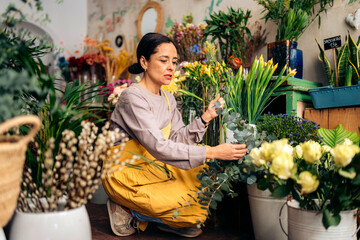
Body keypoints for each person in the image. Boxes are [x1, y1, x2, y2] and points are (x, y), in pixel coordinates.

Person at [102, 32, 248, 238]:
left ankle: (166, 219)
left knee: (205, 180)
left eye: (174, 61)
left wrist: (205, 117)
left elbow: (176, 140)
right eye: (164, 60)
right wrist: (213, 151)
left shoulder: (168, 98)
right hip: (127, 174)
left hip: (155, 167)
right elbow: (159, 146)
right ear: (144, 61)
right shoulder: (132, 97)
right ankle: (129, 210)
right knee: (191, 192)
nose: (171, 67)